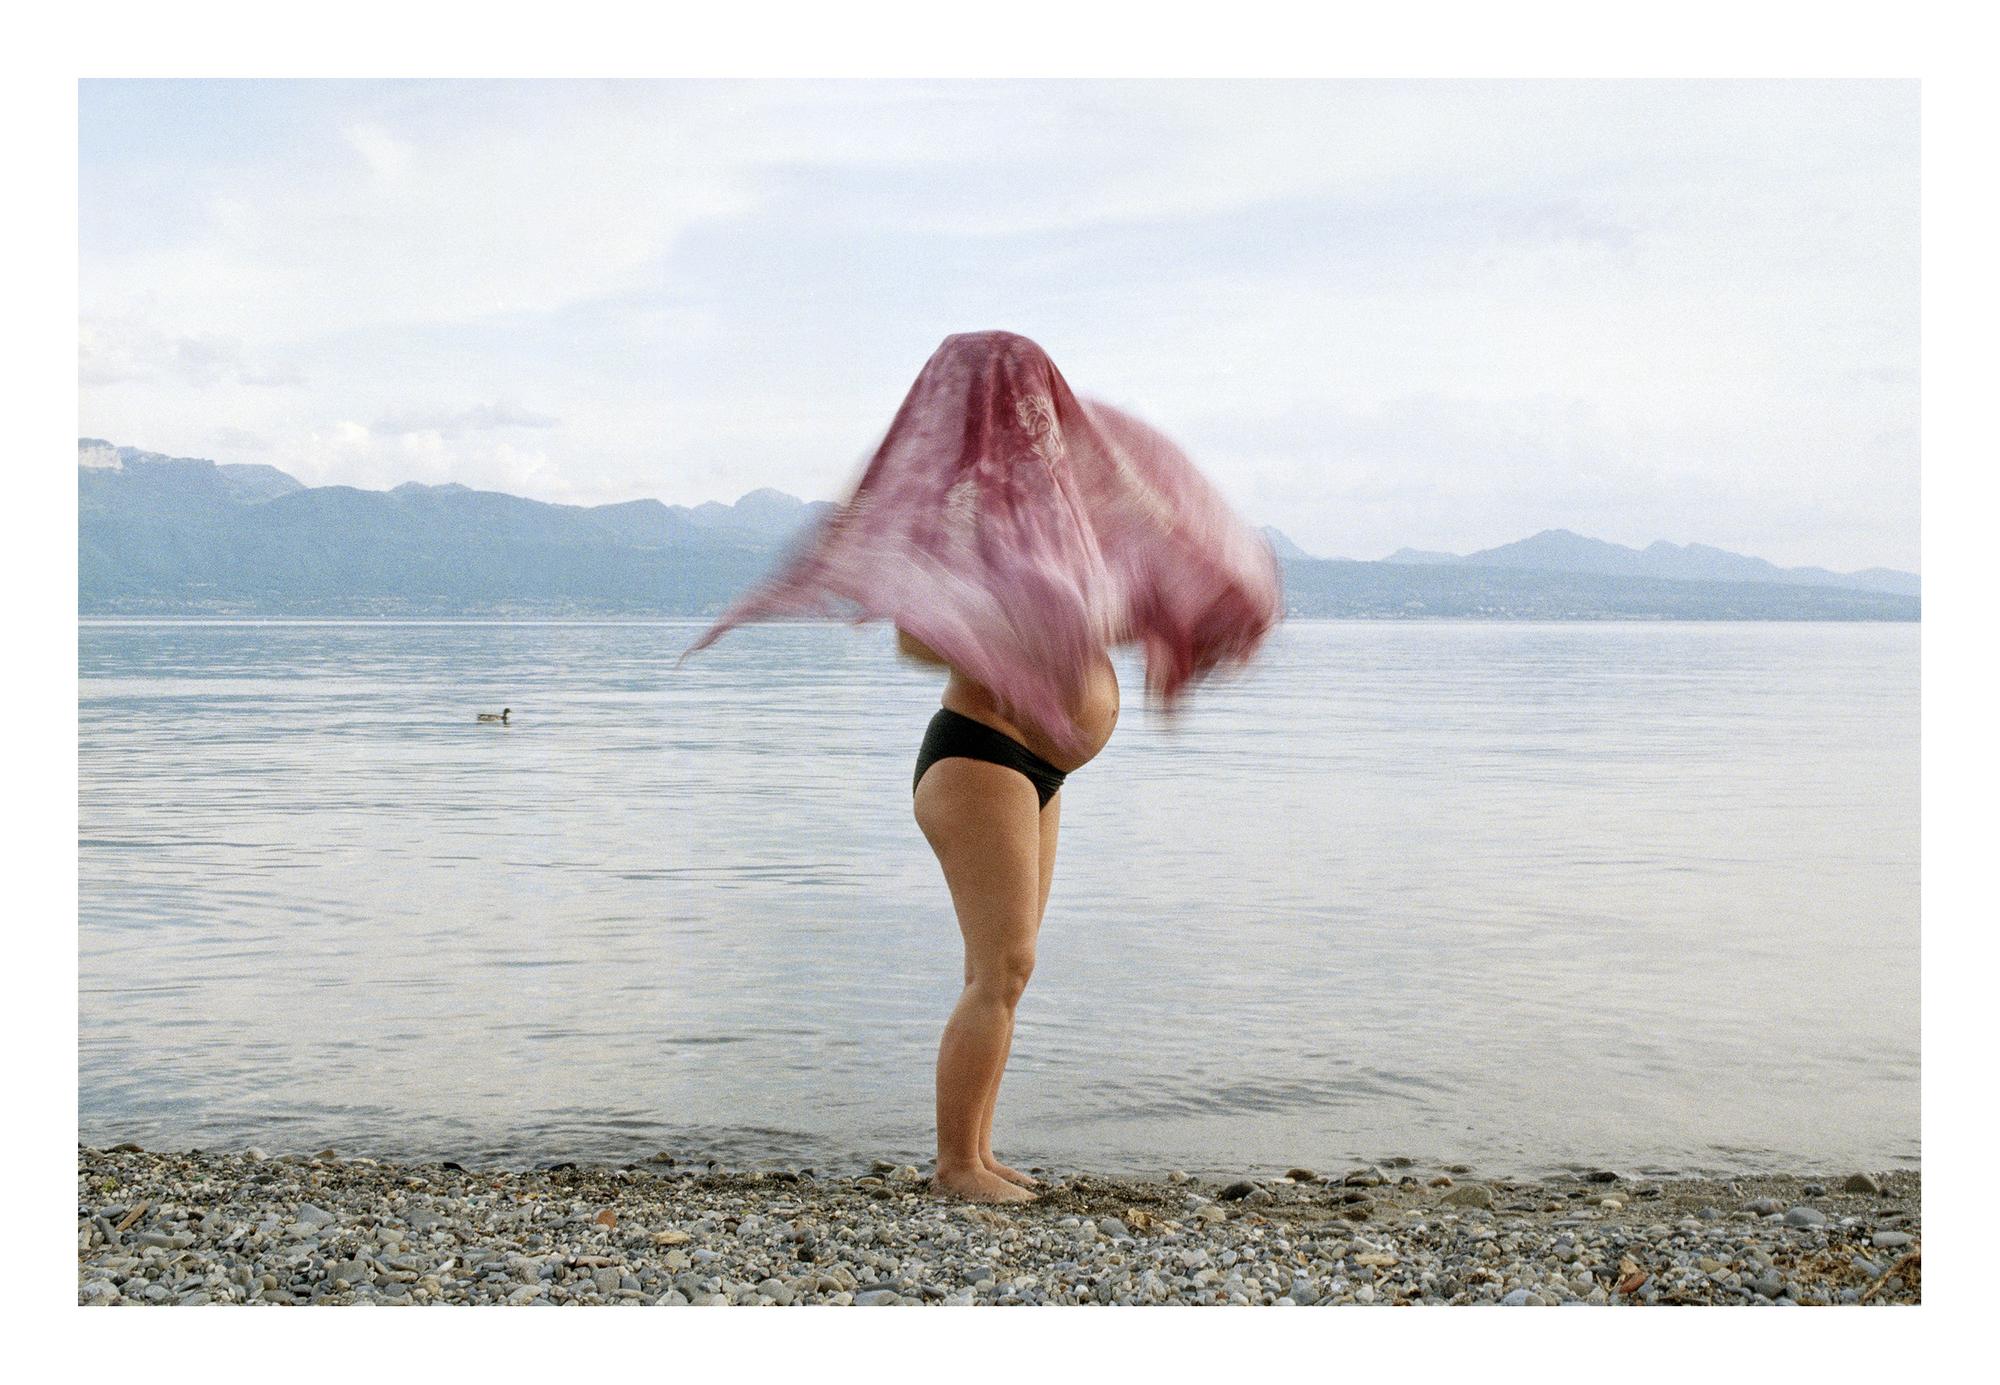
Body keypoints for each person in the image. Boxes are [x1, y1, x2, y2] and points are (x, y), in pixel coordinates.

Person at [678, 330, 1282, 1202]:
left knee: (1005, 972)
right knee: (1003, 964)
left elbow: (1101, 611)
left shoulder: (1055, 514)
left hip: (1039, 767)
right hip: (978, 755)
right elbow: (918, 640)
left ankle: (980, 1151)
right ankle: (955, 1166)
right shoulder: (958, 517)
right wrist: (1015, 625)